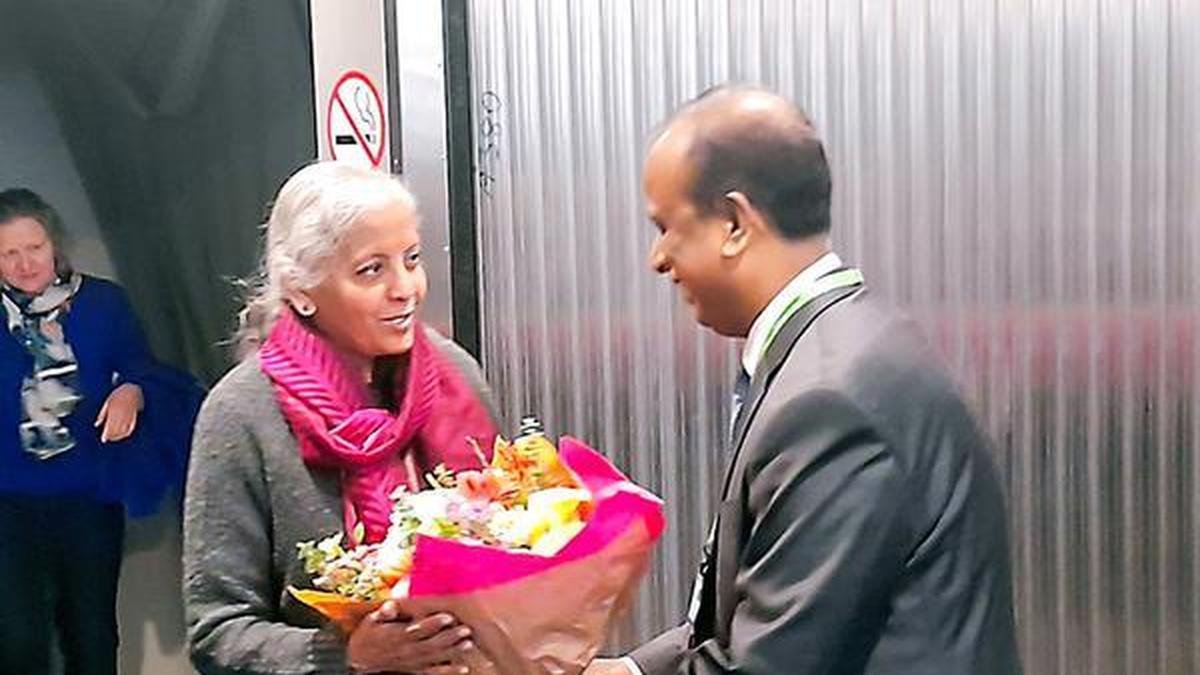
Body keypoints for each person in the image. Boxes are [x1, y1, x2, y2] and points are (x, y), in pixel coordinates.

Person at [587, 86, 1022, 675]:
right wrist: (628, 671)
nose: (657, 258)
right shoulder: (840, 347)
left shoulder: (831, 403)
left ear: (735, 223)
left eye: (667, 227)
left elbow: (776, 662)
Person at [184, 161, 500, 675]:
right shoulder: (242, 415)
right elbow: (217, 631)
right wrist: (350, 655)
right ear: (300, 290)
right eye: (371, 270)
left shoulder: (454, 375)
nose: (405, 288)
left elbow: (514, 541)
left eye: (412, 259)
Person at [0, 188, 203, 675]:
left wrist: (132, 390)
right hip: (8, 501)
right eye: (9, 253)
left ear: (54, 244)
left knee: (91, 637)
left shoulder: (102, 303)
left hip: (87, 496)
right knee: (17, 641)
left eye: (34, 247)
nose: (25, 264)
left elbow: (144, 368)